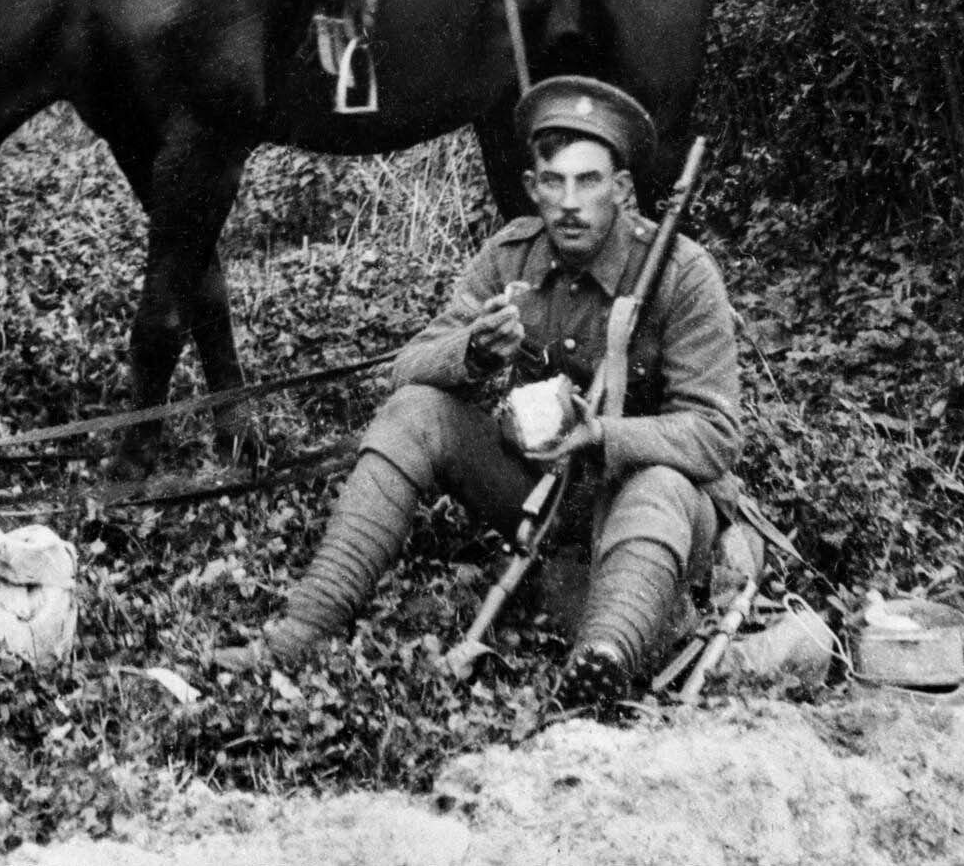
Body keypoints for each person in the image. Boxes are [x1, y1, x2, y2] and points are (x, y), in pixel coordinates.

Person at [220, 76, 742, 704]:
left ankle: (602, 659)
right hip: (537, 491)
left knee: (662, 485)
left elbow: (715, 436)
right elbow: (407, 367)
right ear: (531, 188)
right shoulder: (510, 257)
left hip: (645, 507)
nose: (569, 203)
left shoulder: (682, 274)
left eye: (589, 181)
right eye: (554, 182)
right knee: (415, 412)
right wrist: (471, 352)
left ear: (623, 191)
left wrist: (604, 434)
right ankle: (302, 632)